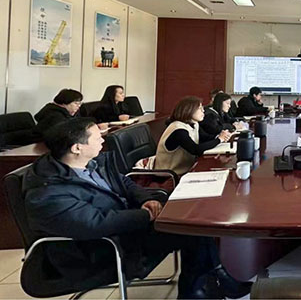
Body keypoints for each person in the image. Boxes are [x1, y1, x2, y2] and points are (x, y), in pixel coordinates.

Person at [23, 118, 251, 299]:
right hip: (100, 249)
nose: (103, 139)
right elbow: (95, 223)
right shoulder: (47, 192)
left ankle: (207, 283)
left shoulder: (89, 163)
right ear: (76, 148)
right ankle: (199, 289)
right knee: (192, 230)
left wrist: (145, 200)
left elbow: (124, 182)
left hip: (125, 226)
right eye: (97, 137)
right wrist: (145, 215)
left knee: (195, 222)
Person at [156, 96, 231, 176]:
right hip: (170, 175)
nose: (203, 111)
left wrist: (221, 136)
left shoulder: (194, 124)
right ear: (189, 110)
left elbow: (205, 138)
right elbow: (195, 149)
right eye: (200, 108)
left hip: (187, 170)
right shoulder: (178, 129)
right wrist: (219, 139)